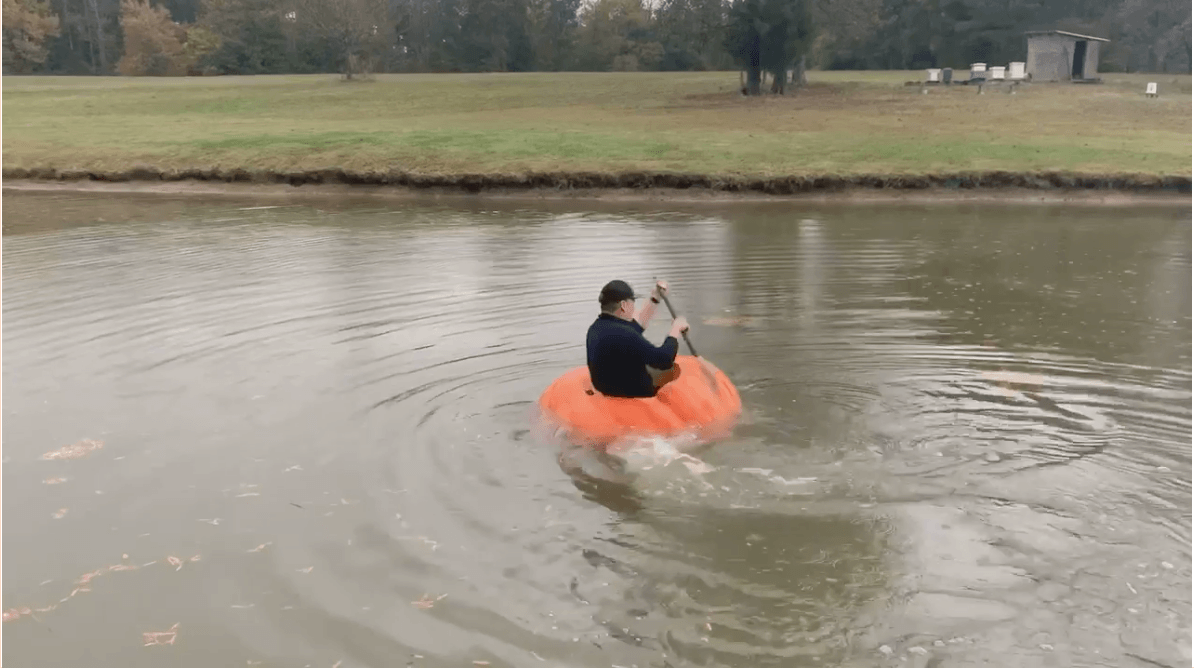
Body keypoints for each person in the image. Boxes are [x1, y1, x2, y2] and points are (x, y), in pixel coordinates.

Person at [586, 279, 689, 398]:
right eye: (632, 301)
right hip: (636, 395)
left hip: (608, 391)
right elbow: (664, 360)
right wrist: (675, 331)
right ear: (624, 305)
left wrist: (655, 298)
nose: (634, 306)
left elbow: (637, 327)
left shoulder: (595, 328)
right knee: (675, 371)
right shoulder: (626, 335)